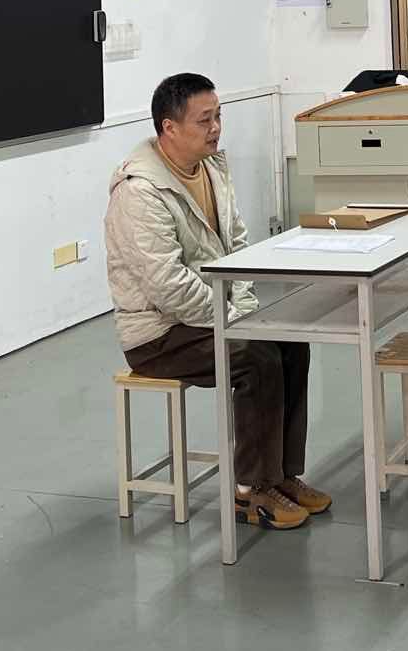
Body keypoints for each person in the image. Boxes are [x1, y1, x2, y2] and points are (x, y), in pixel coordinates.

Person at [104, 73, 330, 531]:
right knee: (255, 357)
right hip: (159, 335)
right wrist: (233, 320)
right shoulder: (139, 192)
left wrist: (243, 309)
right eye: (204, 120)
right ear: (169, 127)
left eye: (219, 116)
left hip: (213, 315)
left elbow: (238, 246)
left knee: (290, 342)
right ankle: (252, 491)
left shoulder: (211, 168)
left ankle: (282, 475)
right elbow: (168, 286)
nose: (216, 128)